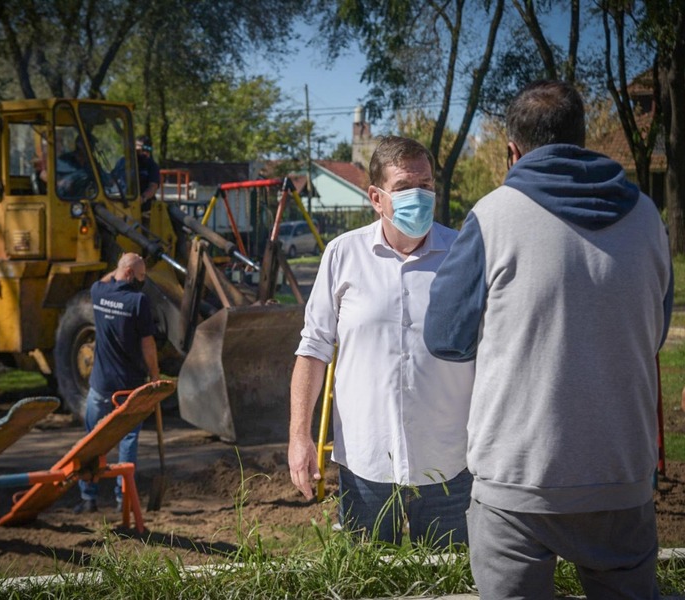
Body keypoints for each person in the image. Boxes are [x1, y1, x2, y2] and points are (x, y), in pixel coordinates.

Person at [423, 80, 673, 598]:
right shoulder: (649, 218)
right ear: (582, 142)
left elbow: (444, 337)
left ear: (512, 151)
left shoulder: (492, 217)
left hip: (517, 481)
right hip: (621, 475)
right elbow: (655, 331)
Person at [288, 135, 476, 547]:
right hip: (366, 463)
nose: (420, 197)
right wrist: (299, 435)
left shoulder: (464, 254)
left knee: (454, 581)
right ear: (376, 197)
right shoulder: (342, 255)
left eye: (426, 186)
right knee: (369, 583)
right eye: (405, 188)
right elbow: (313, 350)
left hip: (448, 462)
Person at [74, 252, 161, 514]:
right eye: (142, 276)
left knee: (92, 441)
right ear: (132, 275)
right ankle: (124, 501)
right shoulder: (138, 302)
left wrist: (119, 268)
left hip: (100, 387)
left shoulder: (99, 292)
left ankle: (88, 497)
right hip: (129, 388)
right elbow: (148, 343)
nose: (143, 282)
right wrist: (155, 375)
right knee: (128, 442)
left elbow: (107, 278)